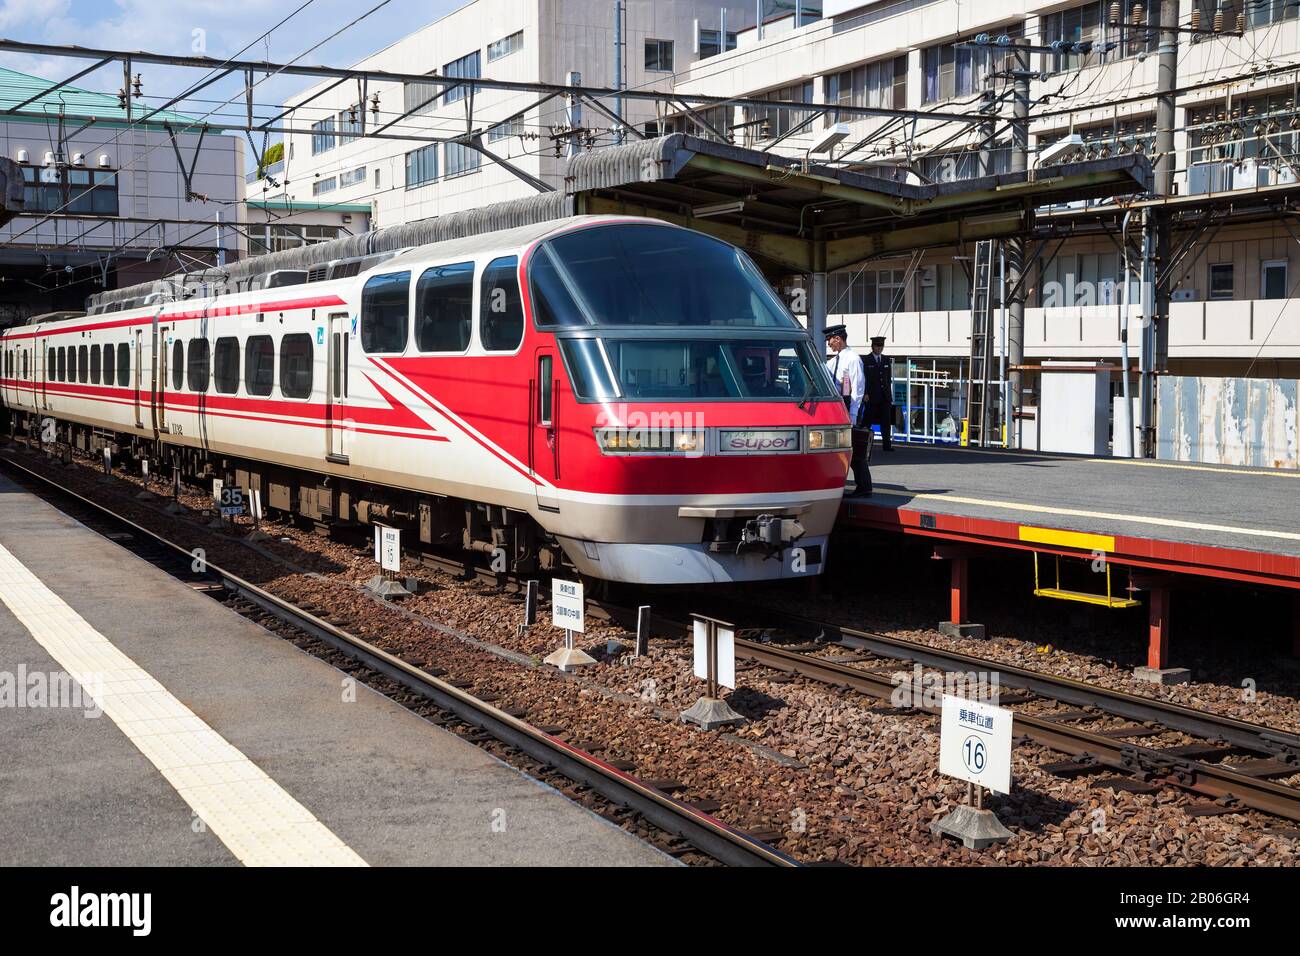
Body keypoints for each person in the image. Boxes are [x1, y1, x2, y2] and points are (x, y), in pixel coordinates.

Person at [823, 324, 871, 497]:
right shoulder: (834, 361)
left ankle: (864, 487)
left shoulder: (852, 358)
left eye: (830, 340)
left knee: (856, 450)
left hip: (848, 409)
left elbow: (858, 388)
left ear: (838, 338)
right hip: (838, 408)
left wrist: (853, 414)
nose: (829, 343)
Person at [862, 335, 894, 451]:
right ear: (872, 346)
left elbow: (888, 379)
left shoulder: (886, 360)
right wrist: (865, 393)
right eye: (877, 345)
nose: (879, 348)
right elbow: (863, 379)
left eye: (881, 345)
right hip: (871, 396)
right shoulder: (866, 360)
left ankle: (887, 445)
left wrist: (889, 396)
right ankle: (862, 445)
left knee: (886, 422)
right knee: (867, 421)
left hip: (884, 396)